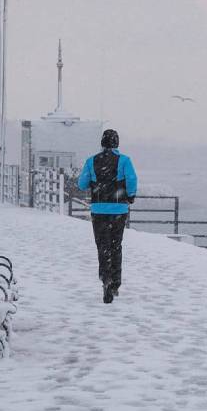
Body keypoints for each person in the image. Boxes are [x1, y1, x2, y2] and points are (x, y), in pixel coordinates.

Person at [77, 129, 138, 303]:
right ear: (117, 143)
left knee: (102, 246)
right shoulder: (125, 161)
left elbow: (82, 184)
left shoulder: (91, 161)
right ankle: (115, 283)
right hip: (118, 210)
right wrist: (130, 195)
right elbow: (132, 180)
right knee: (116, 245)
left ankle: (105, 280)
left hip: (98, 210)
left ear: (102, 143)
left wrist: (95, 181)